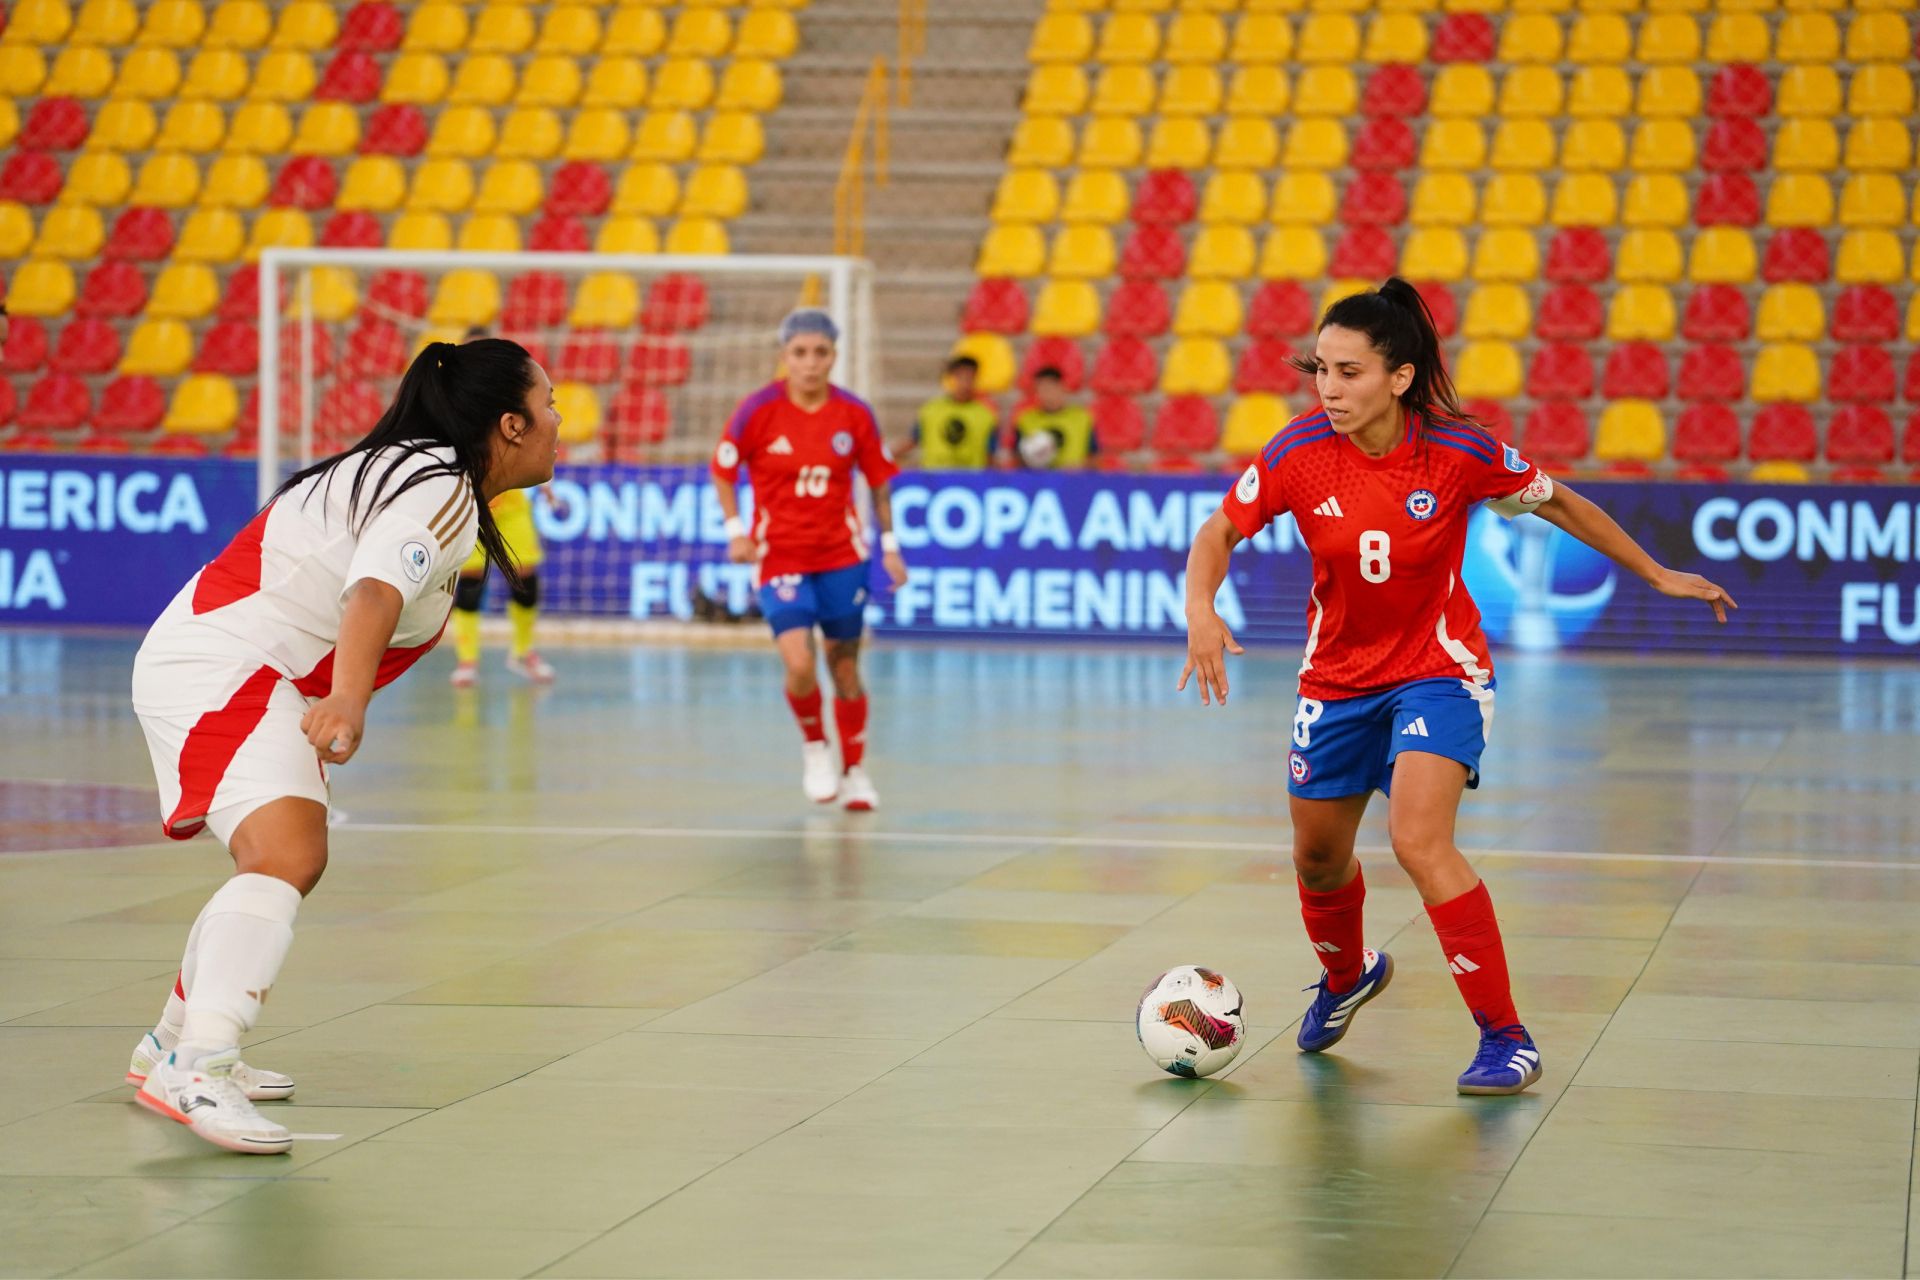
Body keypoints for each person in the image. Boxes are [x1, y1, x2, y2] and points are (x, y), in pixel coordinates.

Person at [1179, 277, 1734, 1096]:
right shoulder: (1298, 452)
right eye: (1320, 370)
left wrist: (1654, 572)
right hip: (1333, 680)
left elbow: (1561, 505)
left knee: (1418, 840)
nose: (1329, 389)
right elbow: (1219, 530)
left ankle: (1506, 1038)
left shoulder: (1458, 451)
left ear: (1400, 376)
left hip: (1438, 671)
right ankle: (1347, 978)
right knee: (1318, 860)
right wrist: (1200, 606)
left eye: (1350, 372)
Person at [127, 338, 560, 1152]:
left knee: (282, 854)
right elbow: (374, 590)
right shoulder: (440, 489)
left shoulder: (426, 476)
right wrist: (347, 705)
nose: (559, 422)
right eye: (549, 405)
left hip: (234, 665)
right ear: (509, 424)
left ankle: (170, 1044)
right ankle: (199, 1066)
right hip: (228, 666)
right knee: (288, 853)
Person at [711, 309, 908, 810]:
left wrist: (890, 547)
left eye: (820, 352)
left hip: (842, 556)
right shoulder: (758, 410)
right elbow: (723, 470)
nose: (810, 363)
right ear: (785, 356)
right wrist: (736, 531)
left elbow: (880, 483)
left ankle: (856, 771)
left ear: (833, 356)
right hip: (780, 556)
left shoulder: (854, 414)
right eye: (800, 352)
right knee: (799, 661)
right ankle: (815, 747)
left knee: (844, 666)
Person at [449, 328, 555, 686]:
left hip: (511, 503)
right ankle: (467, 660)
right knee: (469, 584)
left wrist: (547, 485)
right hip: (473, 504)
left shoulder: (510, 390)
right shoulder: (453, 401)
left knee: (526, 581)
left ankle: (523, 652)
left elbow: (534, 434)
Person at [900, 355, 999, 469]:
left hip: (970, 480)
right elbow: (913, 440)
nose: (965, 383)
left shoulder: (985, 415)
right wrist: (888, 455)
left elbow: (990, 454)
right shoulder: (931, 410)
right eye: (961, 377)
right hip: (935, 479)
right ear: (952, 377)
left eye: (970, 377)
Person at [1013, 367, 1096, 470]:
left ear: (1062, 387)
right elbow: (1017, 458)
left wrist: (1079, 467)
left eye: (1050, 388)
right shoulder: (1026, 420)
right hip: (1039, 482)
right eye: (1041, 389)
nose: (1047, 395)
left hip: (1073, 481)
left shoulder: (1082, 419)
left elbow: (1095, 457)